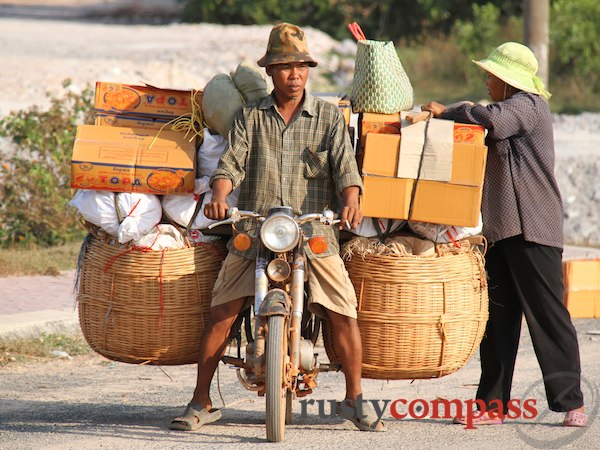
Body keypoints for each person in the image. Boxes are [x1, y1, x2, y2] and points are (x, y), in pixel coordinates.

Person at [169, 22, 385, 432]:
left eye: (301, 66)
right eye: (285, 67)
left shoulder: (326, 116)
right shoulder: (251, 117)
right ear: (269, 72)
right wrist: (218, 194)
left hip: (313, 232)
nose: (294, 75)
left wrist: (352, 200)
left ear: (309, 70)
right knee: (221, 312)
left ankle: (354, 399)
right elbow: (229, 163)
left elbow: (345, 168)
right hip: (256, 228)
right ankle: (200, 400)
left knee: (343, 311)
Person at [422, 42, 587, 427]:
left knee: (547, 316)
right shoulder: (504, 107)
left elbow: (491, 120)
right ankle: (491, 405)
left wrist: (447, 110)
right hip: (498, 230)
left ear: (508, 81)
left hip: (534, 227)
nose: (486, 80)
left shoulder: (529, 106)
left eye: (491, 76)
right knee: (497, 322)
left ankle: (571, 403)